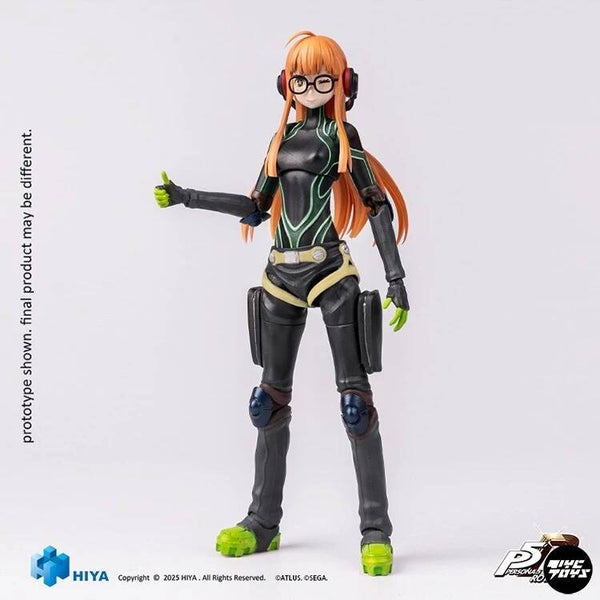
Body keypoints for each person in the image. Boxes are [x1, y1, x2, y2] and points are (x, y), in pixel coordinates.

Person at [154, 30, 409, 576]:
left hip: (331, 272)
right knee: (266, 404)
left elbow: (376, 206)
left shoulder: (342, 137)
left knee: (356, 406)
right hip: (278, 276)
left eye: (322, 78)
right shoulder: (280, 141)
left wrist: (395, 275)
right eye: (300, 78)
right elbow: (255, 207)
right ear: (285, 84)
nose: (310, 87)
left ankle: (375, 531)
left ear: (343, 83)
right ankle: (262, 522)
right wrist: (188, 197)